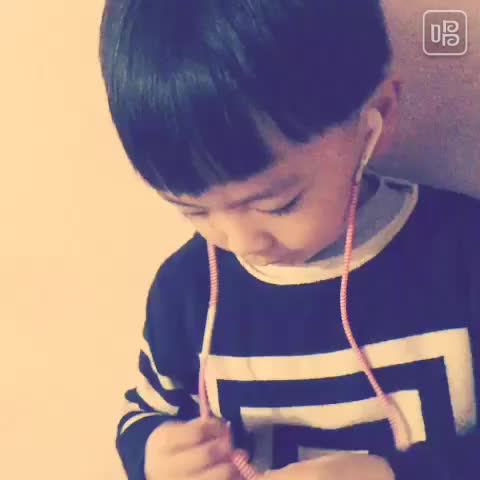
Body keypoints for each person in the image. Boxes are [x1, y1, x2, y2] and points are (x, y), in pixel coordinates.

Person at [99, 1, 480, 479]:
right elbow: (144, 413)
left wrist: (392, 474)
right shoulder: (187, 291)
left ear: (375, 121)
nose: (241, 241)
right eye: (194, 210)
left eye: (277, 204)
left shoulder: (462, 253)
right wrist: (155, 454)